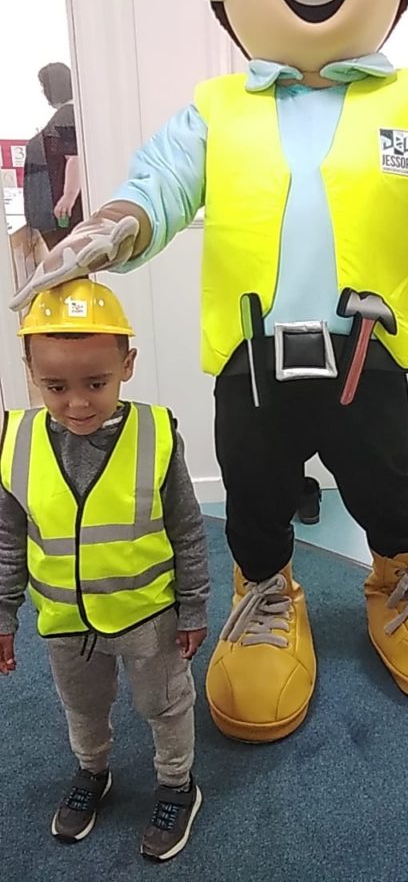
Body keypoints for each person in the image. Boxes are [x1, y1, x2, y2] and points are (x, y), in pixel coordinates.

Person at [11, 0, 408, 744]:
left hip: (369, 353)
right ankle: (265, 589)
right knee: (253, 493)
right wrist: (111, 227)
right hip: (252, 359)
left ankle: (399, 577)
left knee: (386, 484)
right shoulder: (217, 108)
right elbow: (160, 187)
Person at [0, 279, 209, 861]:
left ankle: (177, 784)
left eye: (96, 383)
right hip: (65, 621)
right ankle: (92, 771)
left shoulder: (156, 434)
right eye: (56, 387)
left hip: (149, 617)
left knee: (165, 703)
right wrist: (4, 615)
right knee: (83, 706)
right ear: (30, 372)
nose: (78, 403)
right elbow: (8, 541)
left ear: (128, 365)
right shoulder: (15, 442)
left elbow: (188, 529)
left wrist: (194, 605)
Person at [23, 63, 83, 251]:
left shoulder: (67, 114)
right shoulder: (70, 113)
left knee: (65, 257)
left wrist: (68, 197)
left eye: (44, 86)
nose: (43, 92)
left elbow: (74, 158)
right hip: (55, 209)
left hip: (60, 211)